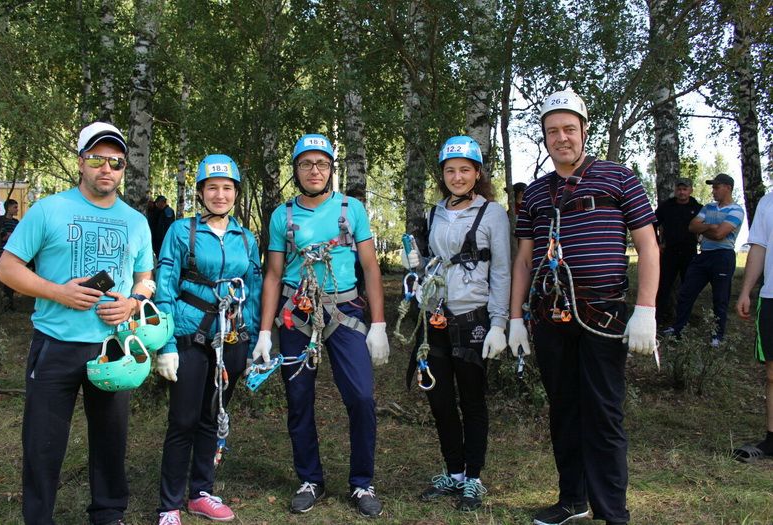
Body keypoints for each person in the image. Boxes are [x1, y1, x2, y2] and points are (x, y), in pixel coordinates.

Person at [508, 89, 659, 525]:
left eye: (569, 129)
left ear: (584, 131)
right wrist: (515, 317)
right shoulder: (535, 194)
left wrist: (646, 309)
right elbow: (523, 258)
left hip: (603, 315)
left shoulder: (619, 178)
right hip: (550, 318)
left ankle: (612, 513)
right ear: (544, 138)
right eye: (552, 131)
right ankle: (573, 498)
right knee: (564, 410)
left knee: (604, 413)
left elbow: (647, 246)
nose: (561, 138)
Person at [0, 121, 155, 525]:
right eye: (98, 159)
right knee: (43, 444)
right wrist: (57, 292)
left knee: (111, 441)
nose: (107, 169)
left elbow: (145, 278)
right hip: (56, 343)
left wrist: (134, 303)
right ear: (81, 162)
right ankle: (38, 517)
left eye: (116, 162)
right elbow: (7, 268)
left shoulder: (136, 221)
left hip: (113, 349)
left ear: (124, 169)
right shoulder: (50, 209)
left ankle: (107, 513)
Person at [251, 133, 390, 518]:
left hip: (344, 313)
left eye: (322, 164)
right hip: (296, 315)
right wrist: (266, 331)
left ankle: (363, 482)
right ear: (295, 170)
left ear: (332, 169)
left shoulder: (352, 209)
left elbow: (370, 267)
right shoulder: (283, 216)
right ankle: (309, 478)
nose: (315, 171)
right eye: (306, 164)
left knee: (361, 398)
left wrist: (378, 324)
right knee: (299, 400)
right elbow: (274, 275)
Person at [402, 136, 510, 511]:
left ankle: (474, 478)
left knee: (472, 399)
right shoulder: (435, 213)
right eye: (451, 170)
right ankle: (455, 472)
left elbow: (501, 271)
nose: (458, 176)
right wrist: (415, 273)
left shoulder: (492, 214)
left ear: (477, 173)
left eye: (465, 170)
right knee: (440, 399)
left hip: (474, 318)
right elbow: (430, 261)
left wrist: (500, 323)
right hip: (436, 319)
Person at [153, 154, 261, 525]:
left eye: (227, 188)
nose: (220, 194)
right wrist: (165, 345)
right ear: (201, 192)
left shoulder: (245, 239)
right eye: (212, 188)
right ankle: (169, 504)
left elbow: (256, 289)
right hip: (189, 336)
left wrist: (256, 337)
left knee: (213, 418)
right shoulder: (182, 233)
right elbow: (164, 287)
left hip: (232, 339)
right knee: (182, 419)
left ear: (235, 193)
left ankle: (201, 492)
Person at [662, 173, 744, 346]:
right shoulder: (707, 207)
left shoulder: (736, 210)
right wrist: (712, 226)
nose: (713, 191)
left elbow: (720, 234)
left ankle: (717, 335)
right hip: (704, 255)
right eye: (712, 187)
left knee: (720, 297)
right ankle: (678, 329)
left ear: (728, 188)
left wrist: (705, 228)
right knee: (686, 292)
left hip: (723, 256)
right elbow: (692, 226)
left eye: (716, 187)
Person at [734, 191, 773, 463]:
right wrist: (746, 290)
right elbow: (759, 247)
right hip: (771, 297)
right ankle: (772, 439)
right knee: (772, 374)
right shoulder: (768, 202)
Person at [654, 178, 702, 323]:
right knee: (663, 287)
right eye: (679, 189)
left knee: (688, 287)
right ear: (675, 190)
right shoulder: (666, 207)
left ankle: (684, 319)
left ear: (691, 190)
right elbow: (652, 224)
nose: (682, 192)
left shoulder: (698, 207)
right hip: (669, 253)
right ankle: (658, 319)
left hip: (690, 253)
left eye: (685, 189)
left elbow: (706, 227)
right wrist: (657, 244)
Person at [0, 198, 20, 310]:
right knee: (6, 278)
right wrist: (12, 236)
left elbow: (21, 237)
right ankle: (6, 304)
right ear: (8, 208)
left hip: (16, 254)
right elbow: (4, 236)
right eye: (15, 207)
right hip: (2, 253)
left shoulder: (16, 222)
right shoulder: (0, 221)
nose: (17, 209)